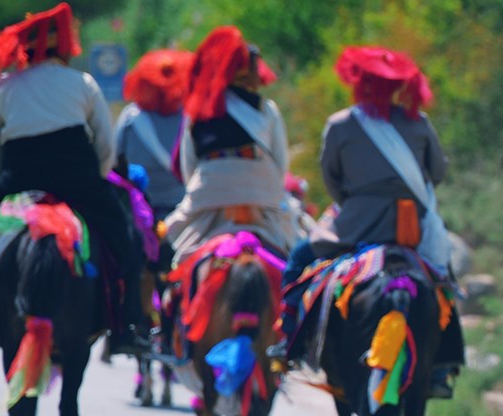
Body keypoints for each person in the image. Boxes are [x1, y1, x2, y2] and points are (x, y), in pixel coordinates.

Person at [0, 3, 148, 359]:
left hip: (18, 177)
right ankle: (125, 328)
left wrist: (0, 183)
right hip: (78, 180)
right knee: (128, 242)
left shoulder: (6, 86)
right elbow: (105, 148)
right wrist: (96, 181)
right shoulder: (83, 84)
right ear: (65, 48)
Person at [278, 46, 464, 396]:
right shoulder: (420, 124)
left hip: (355, 225)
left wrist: (355, 202)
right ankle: (442, 366)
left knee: (300, 259)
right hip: (410, 229)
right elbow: (437, 172)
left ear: (358, 82)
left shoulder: (341, 124)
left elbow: (332, 178)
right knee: (444, 280)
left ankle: (288, 340)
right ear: (398, 87)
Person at [162, 26, 297, 267]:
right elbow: (280, 166)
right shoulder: (266, 109)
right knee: (295, 244)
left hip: (209, 198)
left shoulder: (197, 112)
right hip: (261, 197)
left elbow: (189, 170)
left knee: (176, 247)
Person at [114, 48, 192, 223]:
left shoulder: (130, 118)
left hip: (140, 211)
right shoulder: (189, 118)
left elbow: (113, 159)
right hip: (182, 210)